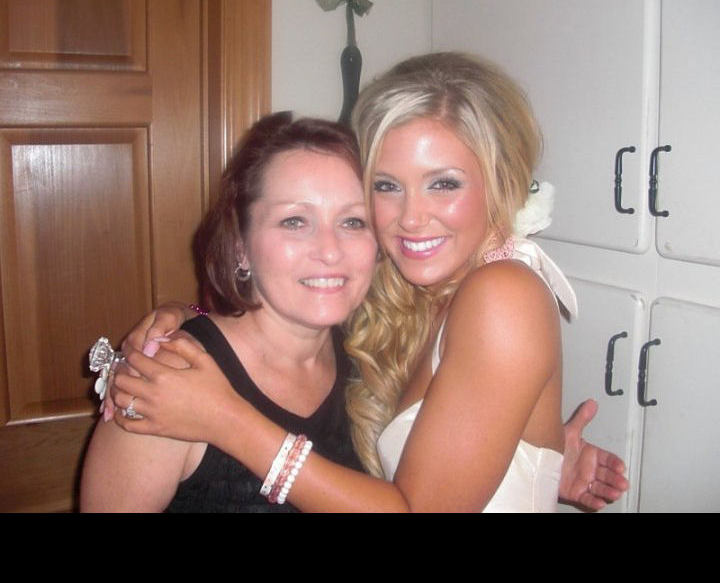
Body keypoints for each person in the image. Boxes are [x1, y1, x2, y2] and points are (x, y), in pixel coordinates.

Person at [105, 52, 628, 512]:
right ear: (239, 241)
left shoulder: (503, 295)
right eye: (387, 187)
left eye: (444, 183)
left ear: (500, 182)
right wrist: (185, 320)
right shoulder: (398, 310)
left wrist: (225, 418)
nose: (411, 219)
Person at [81, 114, 377, 511]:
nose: (330, 250)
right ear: (240, 246)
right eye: (294, 221)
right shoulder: (164, 379)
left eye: (353, 221)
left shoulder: (372, 351)